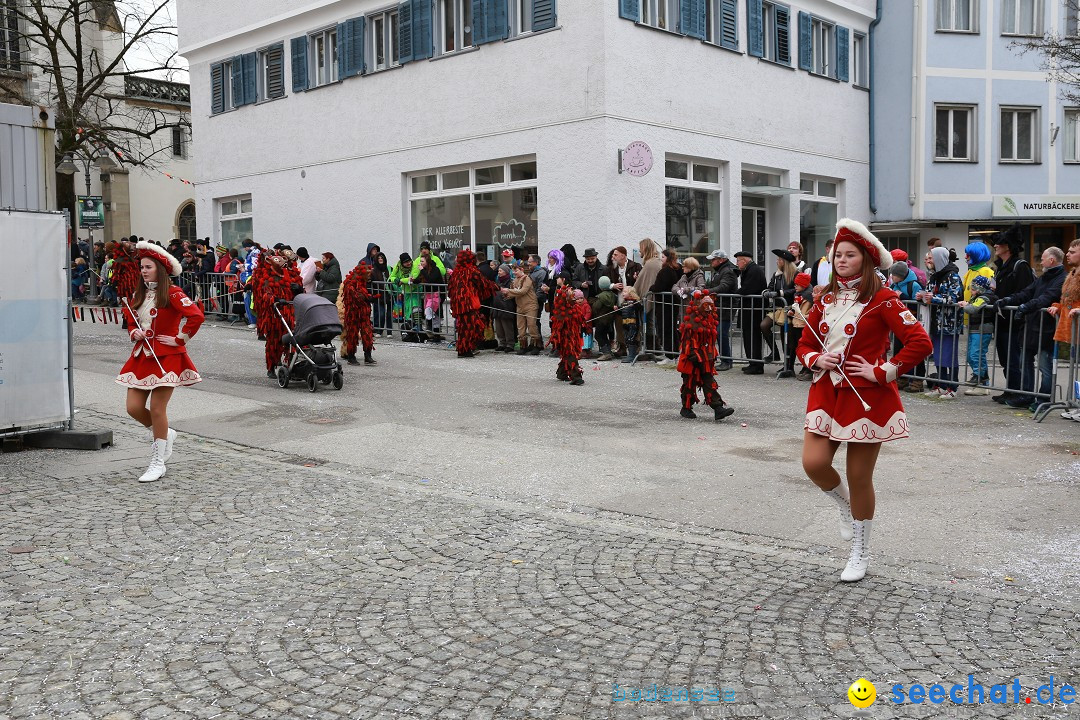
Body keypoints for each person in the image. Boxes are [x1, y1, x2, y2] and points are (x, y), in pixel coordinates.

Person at [798, 220, 932, 582]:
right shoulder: (824, 297)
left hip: (866, 398)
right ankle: (843, 505)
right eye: (837, 254)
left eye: (849, 254)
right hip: (826, 392)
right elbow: (805, 344)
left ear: (866, 260)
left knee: (859, 476)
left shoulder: (884, 299)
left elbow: (920, 343)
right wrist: (815, 359)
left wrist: (883, 371)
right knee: (813, 463)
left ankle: (860, 549)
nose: (841, 260)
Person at [116, 242, 205, 483]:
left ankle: (157, 462)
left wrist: (180, 338)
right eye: (142, 267)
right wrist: (134, 333)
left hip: (167, 357)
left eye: (148, 267)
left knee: (157, 409)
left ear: (160, 269)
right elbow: (132, 319)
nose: (143, 271)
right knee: (133, 408)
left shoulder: (174, 293)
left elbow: (196, 316)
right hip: (141, 356)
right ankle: (167, 434)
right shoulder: (139, 294)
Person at [998, 247, 1066, 411]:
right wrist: (1008, 300)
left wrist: (1024, 307)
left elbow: (1046, 298)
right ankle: (1026, 395)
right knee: (1025, 362)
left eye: (1042, 258)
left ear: (1051, 260)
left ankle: (1043, 399)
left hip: (1047, 328)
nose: (1040, 261)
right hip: (1032, 326)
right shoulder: (1044, 277)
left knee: (1045, 366)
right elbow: (1027, 292)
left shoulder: (1061, 279)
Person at [991, 225, 1035, 405]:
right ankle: (1010, 390)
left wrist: (1008, 301)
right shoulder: (1000, 267)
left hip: (1015, 321)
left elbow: (1026, 292)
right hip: (1002, 319)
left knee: (1014, 358)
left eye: (999, 244)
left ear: (1008, 246)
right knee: (1005, 358)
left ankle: (1017, 392)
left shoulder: (1020, 266)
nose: (995, 246)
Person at [677, 290, 735, 421]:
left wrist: (710, 355)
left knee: (709, 380)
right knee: (689, 383)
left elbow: (710, 339)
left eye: (711, 305)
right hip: (692, 356)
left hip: (704, 355)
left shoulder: (709, 318)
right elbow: (687, 340)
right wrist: (693, 354)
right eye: (706, 305)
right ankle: (686, 407)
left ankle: (718, 408)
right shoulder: (692, 319)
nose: (709, 309)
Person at [917, 246, 963, 399]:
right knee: (938, 355)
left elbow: (955, 298)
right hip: (935, 322)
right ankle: (941, 384)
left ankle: (953, 387)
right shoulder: (934, 276)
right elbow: (929, 293)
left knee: (949, 355)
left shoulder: (952, 276)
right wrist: (922, 297)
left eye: (931, 258)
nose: (929, 261)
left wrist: (934, 299)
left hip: (949, 323)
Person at [252, 249, 302, 375]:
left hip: (289, 313)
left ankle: (291, 365)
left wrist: (298, 289)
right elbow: (265, 294)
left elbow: (299, 293)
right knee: (274, 341)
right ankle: (271, 367)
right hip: (273, 315)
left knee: (291, 339)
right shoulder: (267, 277)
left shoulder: (289, 275)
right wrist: (276, 299)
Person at [1049, 240, 1080, 420]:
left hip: (1077, 325)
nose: (1068, 254)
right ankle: (1076, 405)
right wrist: (1058, 307)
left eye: (1072, 252)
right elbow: (1067, 301)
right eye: (1068, 251)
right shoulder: (1073, 273)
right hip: (1072, 328)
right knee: (1075, 368)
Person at [448, 247, 499, 357]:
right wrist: (496, 287)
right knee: (472, 326)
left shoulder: (456, 273)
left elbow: (450, 289)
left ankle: (464, 348)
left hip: (459, 304)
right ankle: (465, 349)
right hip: (468, 303)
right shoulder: (471, 271)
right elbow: (483, 283)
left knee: (464, 327)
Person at [888, 261, 926, 393]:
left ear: (901, 275)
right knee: (898, 351)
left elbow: (919, 304)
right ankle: (902, 376)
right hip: (898, 324)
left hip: (912, 323)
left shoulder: (913, 285)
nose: (892, 277)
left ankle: (918, 379)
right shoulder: (894, 285)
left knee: (914, 350)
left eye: (894, 275)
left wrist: (902, 297)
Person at [960, 242, 995, 385]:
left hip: (980, 318)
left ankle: (982, 379)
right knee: (971, 354)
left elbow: (988, 291)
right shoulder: (970, 271)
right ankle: (979, 377)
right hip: (972, 317)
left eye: (968, 254)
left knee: (976, 353)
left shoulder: (985, 271)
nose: (965, 257)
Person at [958, 276, 997, 395]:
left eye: (973, 288)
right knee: (971, 356)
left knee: (976, 354)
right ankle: (982, 381)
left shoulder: (984, 298)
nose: (971, 291)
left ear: (980, 288)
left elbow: (973, 309)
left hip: (982, 329)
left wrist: (965, 305)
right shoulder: (977, 297)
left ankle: (979, 377)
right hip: (974, 329)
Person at [762, 249, 798, 367]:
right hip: (777, 308)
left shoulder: (796, 273)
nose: (777, 261)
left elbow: (797, 289)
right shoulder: (776, 274)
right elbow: (770, 286)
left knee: (787, 337)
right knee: (764, 325)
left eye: (779, 260)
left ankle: (788, 366)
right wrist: (767, 292)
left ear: (785, 262)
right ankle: (775, 353)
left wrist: (780, 293)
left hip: (790, 308)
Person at [704, 250, 737, 371]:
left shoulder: (727, 271)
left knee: (721, 333)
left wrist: (708, 291)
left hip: (726, 307)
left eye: (713, 259)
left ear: (721, 260)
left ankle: (726, 361)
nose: (711, 262)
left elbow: (723, 287)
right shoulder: (720, 270)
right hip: (720, 306)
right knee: (718, 333)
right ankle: (723, 359)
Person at [735, 251, 768, 374]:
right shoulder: (749, 270)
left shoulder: (754, 270)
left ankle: (756, 365)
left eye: (738, 261)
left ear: (745, 260)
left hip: (753, 310)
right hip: (749, 309)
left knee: (753, 337)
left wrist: (736, 292)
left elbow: (748, 288)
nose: (737, 263)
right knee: (748, 336)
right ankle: (752, 363)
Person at [607, 246, 642, 357]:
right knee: (619, 322)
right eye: (613, 255)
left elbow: (640, 281)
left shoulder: (635, 266)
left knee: (633, 323)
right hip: (618, 299)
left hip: (632, 300)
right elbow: (606, 281)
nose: (613, 257)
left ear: (623, 255)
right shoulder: (611, 268)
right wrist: (613, 285)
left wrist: (637, 278)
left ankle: (634, 347)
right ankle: (622, 347)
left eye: (615, 255)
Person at [340, 261, 376, 366]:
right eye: (368, 274)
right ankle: (351, 356)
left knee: (367, 333)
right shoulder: (350, 283)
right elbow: (355, 296)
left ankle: (368, 355)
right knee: (352, 335)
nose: (369, 277)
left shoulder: (363, 282)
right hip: (353, 314)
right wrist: (367, 297)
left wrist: (369, 297)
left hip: (364, 313)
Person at [778, 272, 813, 379]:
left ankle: (808, 369)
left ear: (803, 285)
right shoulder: (797, 295)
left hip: (804, 325)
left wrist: (806, 316)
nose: (795, 286)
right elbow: (795, 308)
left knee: (804, 348)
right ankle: (790, 368)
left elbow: (812, 311)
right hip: (795, 323)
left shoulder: (809, 296)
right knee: (792, 346)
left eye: (797, 284)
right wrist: (792, 312)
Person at [632, 239, 663, 361]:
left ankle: (653, 348)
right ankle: (652, 348)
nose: (639, 250)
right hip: (653, 298)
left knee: (650, 324)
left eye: (640, 248)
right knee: (650, 324)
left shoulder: (651, 263)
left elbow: (646, 282)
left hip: (652, 298)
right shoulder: (653, 262)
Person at [650, 248, 682, 362]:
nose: (661, 259)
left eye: (663, 257)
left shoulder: (666, 271)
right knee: (671, 329)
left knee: (666, 329)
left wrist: (651, 288)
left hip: (665, 304)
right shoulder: (676, 269)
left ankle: (670, 355)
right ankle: (673, 353)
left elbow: (658, 287)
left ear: (668, 258)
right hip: (672, 303)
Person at [550, 285, 585, 385]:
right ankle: (576, 376)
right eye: (571, 296)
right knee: (570, 354)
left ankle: (562, 373)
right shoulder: (561, 311)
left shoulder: (575, 308)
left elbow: (581, 320)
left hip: (574, 336)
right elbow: (557, 327)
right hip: (565, 338)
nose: (574, 298)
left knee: (568, 354)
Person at [505, 264, 541, 354]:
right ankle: (523, 345)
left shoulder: (527, 279)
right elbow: (514, 293)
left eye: (516, 270)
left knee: (531, 325)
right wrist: (506, 294)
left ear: (521, 270)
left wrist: (508, 291)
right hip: (520, 306)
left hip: (530, 305)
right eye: (513, 271)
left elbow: (522, 291)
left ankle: (536, 345)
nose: (514, 273)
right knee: (520, 327)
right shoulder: (514, 281)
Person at [389, 253, 421, 340]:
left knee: (415, 309)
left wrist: (401, 280)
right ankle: (409, 332)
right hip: (406, 292)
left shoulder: (415, 265)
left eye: (409, 261)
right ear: (402, 263)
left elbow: (413, 277)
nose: (409, 263)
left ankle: (418, 329)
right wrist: (395, 280)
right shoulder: (398, 266)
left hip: (415, 291)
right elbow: (391, 277)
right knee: (407, 312)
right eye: (406, 262)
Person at [417, 255, 445, 341]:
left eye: (422, 261)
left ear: (427, 262)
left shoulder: (435, 269)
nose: (420, 263)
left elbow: (430, 280)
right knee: (433, 314)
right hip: (428, 295)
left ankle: (433, 332)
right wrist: (411, 280)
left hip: (437, 294)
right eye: (420, 261)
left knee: (431, 311)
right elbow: (420, 279)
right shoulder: (424, 270)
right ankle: (435, 334)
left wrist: (422, 270)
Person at [592, 275, 619, 361]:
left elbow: (596, 307)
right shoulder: (613, 295)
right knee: (604, 335)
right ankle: (609, 351)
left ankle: (606, 352)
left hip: (601, 319)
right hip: (610, 319)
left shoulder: (601, 297)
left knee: (598, 335)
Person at [491, 263, 517, 352]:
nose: (498, 272)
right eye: (498, 270)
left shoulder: (510, 282)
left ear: (505, 272)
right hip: (497, 306)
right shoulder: (498, 281)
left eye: (500, 270)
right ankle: (502, 343)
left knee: (507, 327)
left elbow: (513, 294)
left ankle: (510, 344)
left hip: (506, 307)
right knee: (499, 328)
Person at [618, 287, 642, 363]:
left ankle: (632, 356)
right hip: (625, 324)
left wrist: (637, 303)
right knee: (627, 339)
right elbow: (621, 313)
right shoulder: (623, 303)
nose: (623, 293)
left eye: (625, 292)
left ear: (631, 293)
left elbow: (640, 308)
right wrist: (617, 310)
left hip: (633, 324)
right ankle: (631, 354)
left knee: (631, 339)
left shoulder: (635, 302)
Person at [369, 251, 391, 335]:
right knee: (381, 314)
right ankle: (379, 331)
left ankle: (389, 332)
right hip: (378, 295)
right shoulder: (373, 271)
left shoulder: (389, 269)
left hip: (389, 294)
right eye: (378, 258)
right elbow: (370, 282)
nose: (380, 259)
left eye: (382, 258)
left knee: (389, 315)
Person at [240, 239, 260, 328]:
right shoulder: (252, 252)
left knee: (250, 300)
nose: (244, 249)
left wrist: (244, 267)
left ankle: (253, 321)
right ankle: (253, 321)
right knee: (248, 300)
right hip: (248, 277)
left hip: (251, 278)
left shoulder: (255, 252)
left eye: (245, 247)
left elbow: (255, 265)